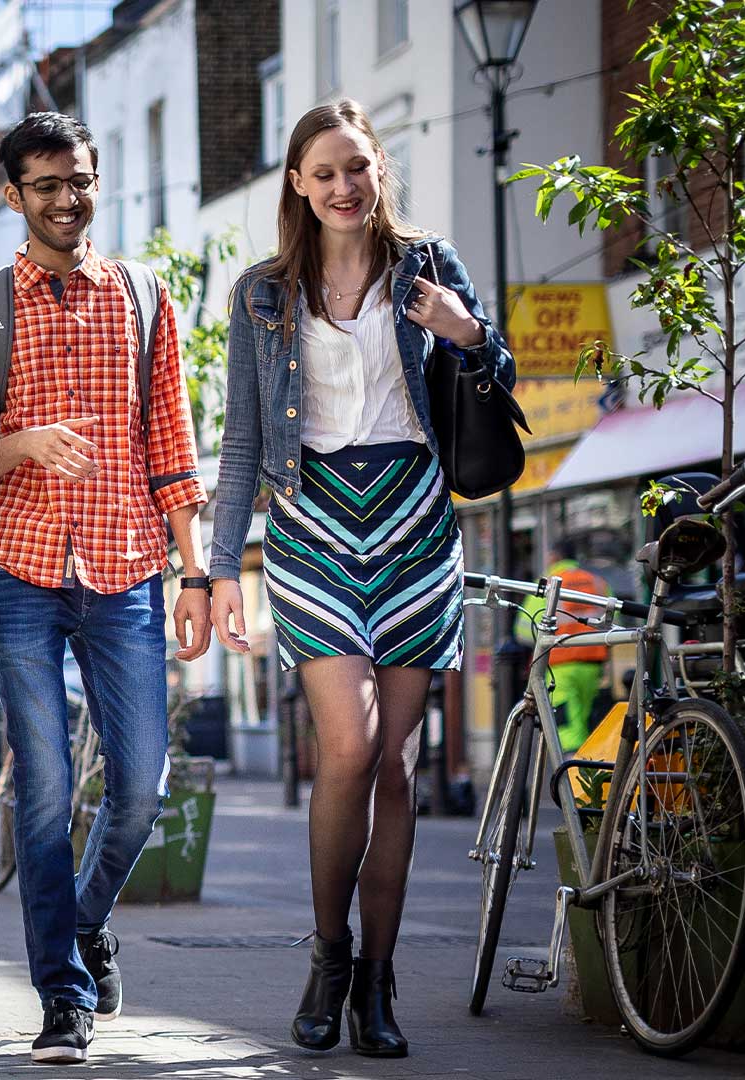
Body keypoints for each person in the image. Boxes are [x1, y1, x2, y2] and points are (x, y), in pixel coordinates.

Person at [208, 99, 515, 1060]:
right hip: (309, 526)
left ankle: (379, 982)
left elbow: (495, 376)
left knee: (396, 764)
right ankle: (329, 953)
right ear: (297, 183)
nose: (344, 188)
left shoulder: (431, 267)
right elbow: (245, 439)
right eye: (324, 172)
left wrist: (467, 333)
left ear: (381, 169)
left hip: (418, 522)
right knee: (349, 748)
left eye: (358, 168)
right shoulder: (262, 294)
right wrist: (221, 568)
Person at [0, 111, 211, 1065]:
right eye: (47, 184)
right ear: (15, 197)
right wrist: (27, 444)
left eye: (80, 180)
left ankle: (86, 922)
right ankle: (63, 995)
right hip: (20, 569)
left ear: (98, 183)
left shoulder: (144, 297)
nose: (67, 197)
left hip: (129, 564)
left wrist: (198, 572)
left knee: (141, 786)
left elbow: (172, 449)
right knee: (45, 789)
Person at [516, 540, 609, 753]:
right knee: (587, 723)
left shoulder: (548, 584)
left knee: (567, 729)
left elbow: (524, 630)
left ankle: (572, 780)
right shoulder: (595, 581)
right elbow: (612, 620)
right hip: (593, 664)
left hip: (559, 667)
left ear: (554, 557)